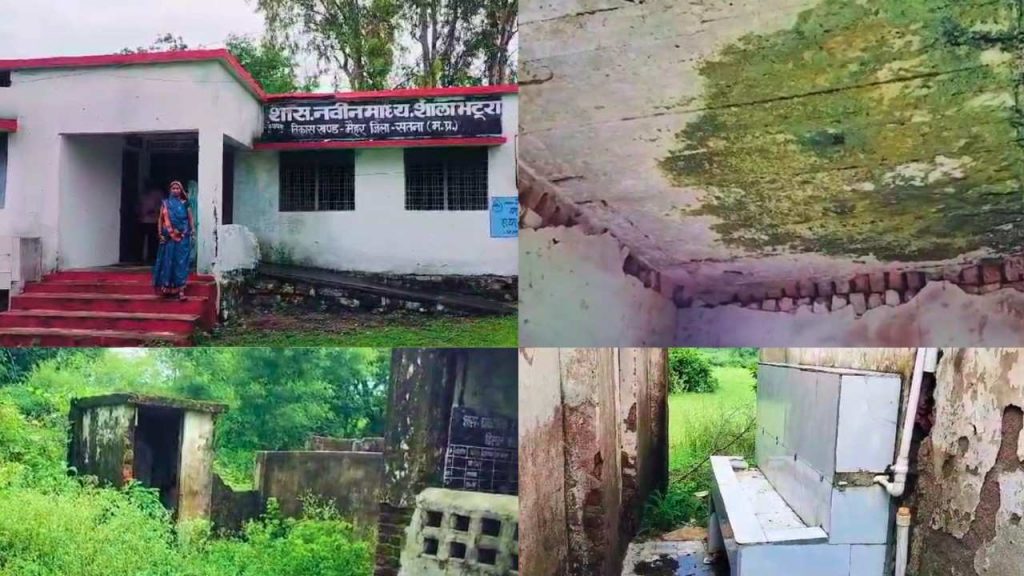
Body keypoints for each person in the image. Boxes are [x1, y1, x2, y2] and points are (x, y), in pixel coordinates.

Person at [152, 181, 194, 300]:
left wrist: (193, 231)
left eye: (178, 188)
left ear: (181, 190)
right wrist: (160, 233)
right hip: (169, 237)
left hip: (183, 237)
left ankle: (181, 290)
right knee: (168, 261)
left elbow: (190, 218)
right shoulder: (166, 204)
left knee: (180, 262)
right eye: (173, 188)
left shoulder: (185, 203)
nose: (176, 190)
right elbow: (161, 219)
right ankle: (167, 288)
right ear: (170, 190)